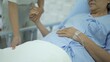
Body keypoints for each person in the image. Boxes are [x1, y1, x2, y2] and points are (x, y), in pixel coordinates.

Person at [30, 0, 110, 62]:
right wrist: (38, 22)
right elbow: (56, 34)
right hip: (44, 47)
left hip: (67, 56)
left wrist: (78, 35)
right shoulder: (77, 16)